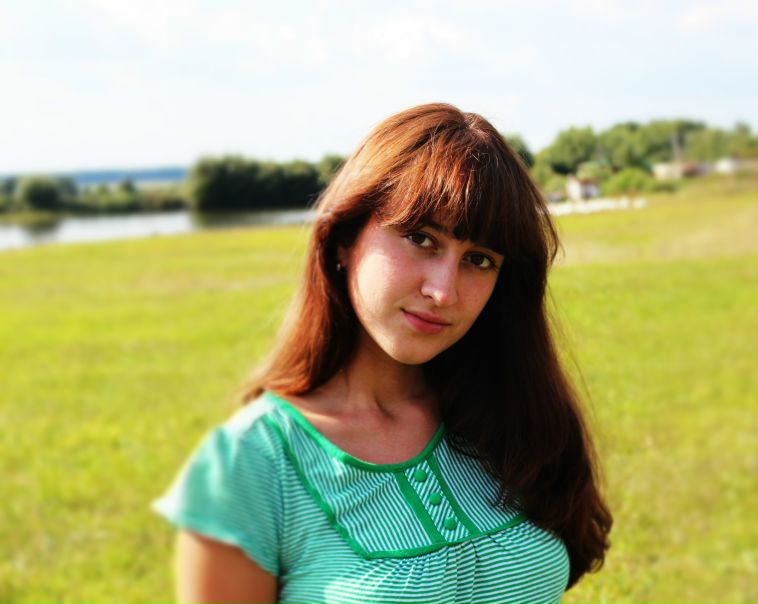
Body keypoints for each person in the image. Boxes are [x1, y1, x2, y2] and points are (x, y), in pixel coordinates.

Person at [154, 103, 612, 603]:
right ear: (344, 240)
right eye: (421, 238)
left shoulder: (513, 419)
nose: (444, 291)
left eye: (479, 260)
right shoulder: (249, 466)